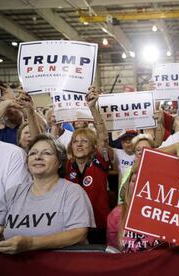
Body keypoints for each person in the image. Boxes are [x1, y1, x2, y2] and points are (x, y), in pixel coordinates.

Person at [0, 134, 95, 254]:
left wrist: (31, 243)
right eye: (33, 153)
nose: (38, 157)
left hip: (60, 267)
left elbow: (78, 234)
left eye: (47, 153)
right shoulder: (13, 193)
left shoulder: (73, 191)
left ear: (60, 162)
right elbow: (0, 228)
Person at [65, 86, 113, 244]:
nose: (79, 145)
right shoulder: (67, 166)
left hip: (98, 225)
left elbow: (103, 137)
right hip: (72, 226)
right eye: (75, 142)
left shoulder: (100, 161)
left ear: (93, 146)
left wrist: (93, 108)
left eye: (84, 141)